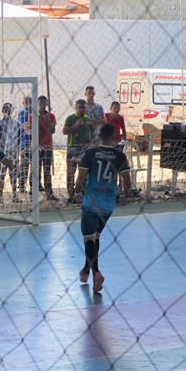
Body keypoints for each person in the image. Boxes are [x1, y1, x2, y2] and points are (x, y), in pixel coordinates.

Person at [73, 123, 132, 292]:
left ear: (98, 135)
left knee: (88, 239)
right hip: (108, 204)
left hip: (91, 203)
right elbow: (127, 181)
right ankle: (85, 270)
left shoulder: (91, 153)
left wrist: (77, 192)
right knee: (95, 237)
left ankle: (96, 273)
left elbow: (81, 177)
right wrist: (126, 195)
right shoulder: (120, 156)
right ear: (115, 137)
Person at [63, 99, 97, 201]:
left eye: (84, 107)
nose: (82, 109)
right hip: (72, 148)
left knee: (83, 172)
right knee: (71, 171)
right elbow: (64, 131)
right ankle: (71, 194)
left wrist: (90, 143)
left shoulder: (88, 120)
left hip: (84, 149)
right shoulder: (70, 118)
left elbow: (93, 134)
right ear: (76, 108)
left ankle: (81, 193)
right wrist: (75, 126)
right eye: (80, 107)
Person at [0, 101, 22, 200]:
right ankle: (0, 196)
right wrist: (4, 148)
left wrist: (15, 148)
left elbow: (19, 137)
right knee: (2, 173)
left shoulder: (16, 123)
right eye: (6, 109)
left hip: (14, 151)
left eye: (10, 109)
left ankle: (14, 195)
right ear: (2, 111)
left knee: (13, 173)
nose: (8, 111)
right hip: (3, 152)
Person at [35, 96, 57, 200]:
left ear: (47, 104)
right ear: (38, 104)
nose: (43, 106)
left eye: (44, 104)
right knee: (36, 169)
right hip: (37, 147)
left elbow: (52, 130)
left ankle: (49, 192)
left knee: (47, 169)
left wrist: (47, 121)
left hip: (48, 146)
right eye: (41, 104)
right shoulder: (33, 115)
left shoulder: (51, 116)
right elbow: (31, 130)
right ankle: (34, 191)